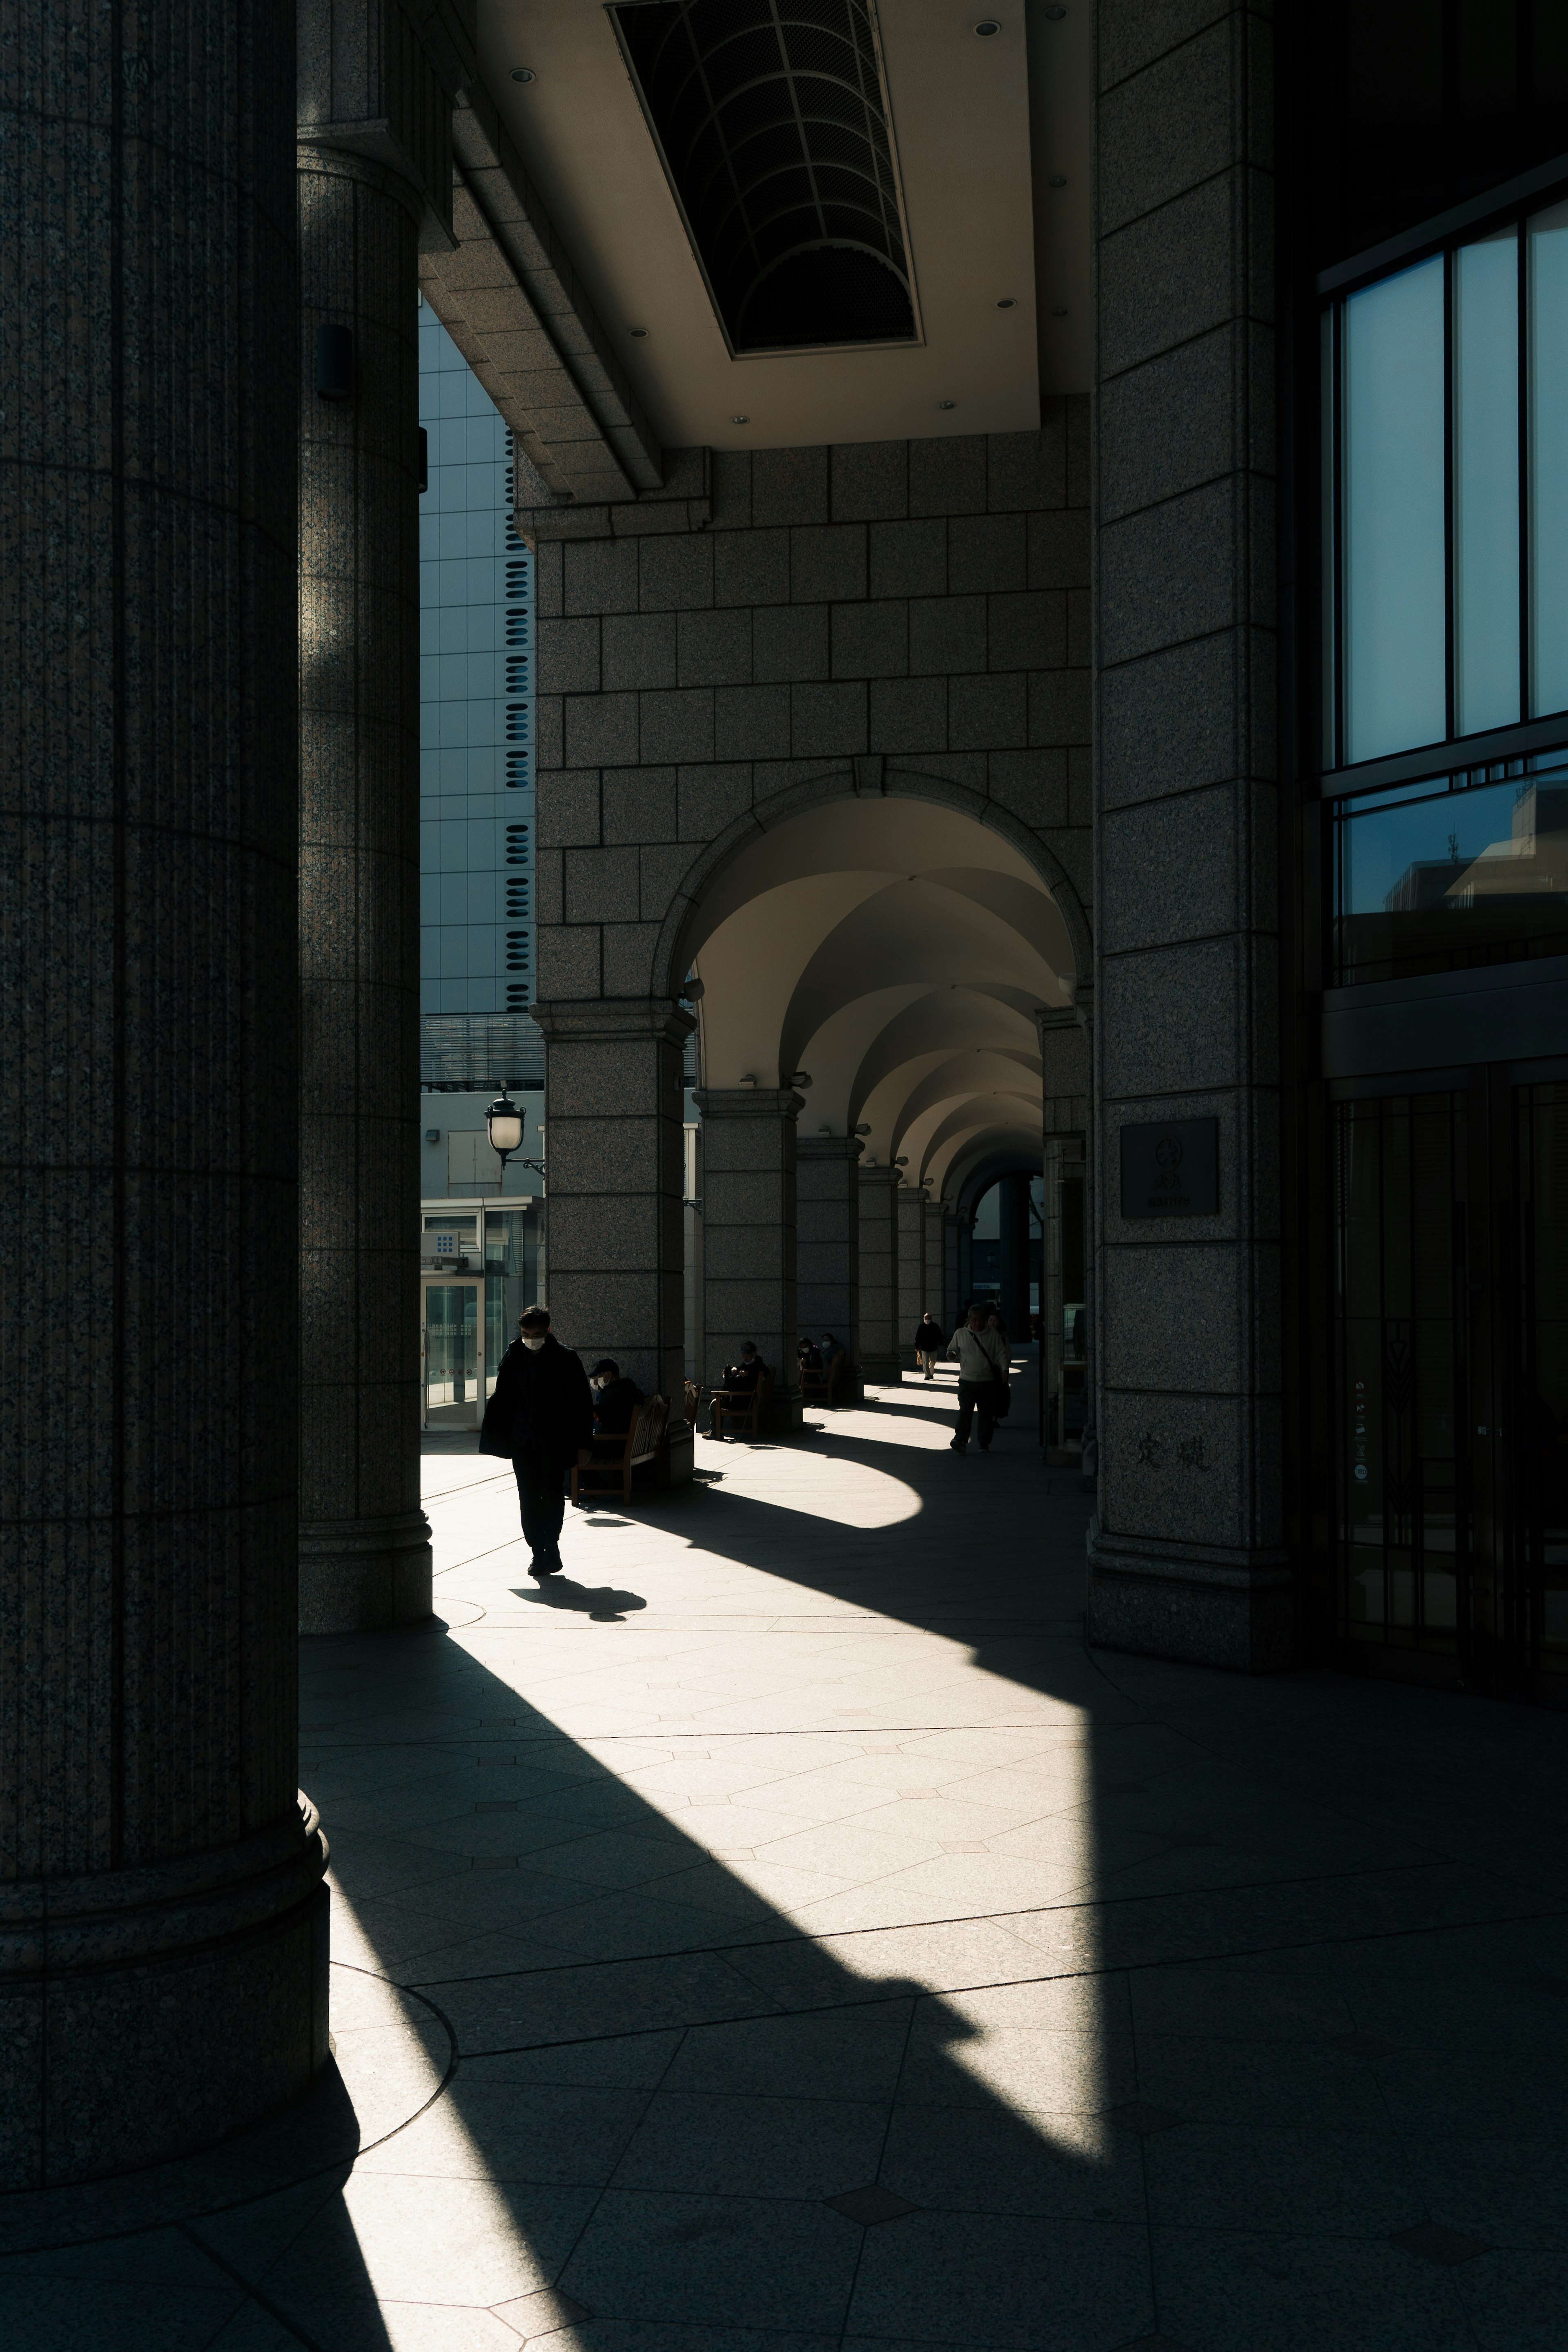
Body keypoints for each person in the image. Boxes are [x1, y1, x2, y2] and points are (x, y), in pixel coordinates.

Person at [479, 1305, 595, 1578]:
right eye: (525, 1333)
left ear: (548, 1331)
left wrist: (584, 1444)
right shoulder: (515, 1355)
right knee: (528, 1496)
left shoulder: (566, 1359)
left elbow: (581, 1403)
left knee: (552, 1493)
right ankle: (537, 1551)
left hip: (554, 1440)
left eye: (536, 1334)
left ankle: (551, 1544)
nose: (530, 1338)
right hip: (523, 1440)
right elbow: (503, 1396)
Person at [948, 1305, 1009, 1454]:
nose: (977, 1323)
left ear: (986, 1320)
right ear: (968, 1320)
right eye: (974, 1320)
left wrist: (1005, 1369)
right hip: (966, 1380)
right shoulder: (960, 1333)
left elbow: (1001, 1353)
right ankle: (961, 1440)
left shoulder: (993, 1335)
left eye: (981, 1320)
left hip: (987, 1381)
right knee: (965, 1411)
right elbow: (953, 1350)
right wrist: (951, 1355)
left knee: (986, 1414)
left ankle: (984, 1442)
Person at [708, 1340, 765, 1438]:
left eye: (747, 1355)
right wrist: (735, 1369)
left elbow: (763, 1372)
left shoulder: (759, 1365)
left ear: (754, 1355)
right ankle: (714, 1431)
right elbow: (740, 1368)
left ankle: (715, 1432)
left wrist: (748, 1374)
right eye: (743, 1355)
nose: (744, 1358)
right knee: (715, 1403)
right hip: (737, 1399)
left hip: (744, 1401)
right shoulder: (746, 1364)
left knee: (715, 1404)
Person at [590, 1358, 644, 1442]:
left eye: (599, 1375)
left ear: (608, 1375)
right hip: (625, 1442)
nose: (596, 1379)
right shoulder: (626, 1388)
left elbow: (593, 1414)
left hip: (613, 1445)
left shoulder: (614, 1393)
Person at [912, 1311, 947, 1378]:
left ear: (931, 1319)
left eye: (928, 1319)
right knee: (925, 1362)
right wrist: (917, 1346)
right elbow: (918, 1337)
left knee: (933, 1362)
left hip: (933, 1347)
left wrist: (941, 1344)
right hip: (924, 1348)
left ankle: (931, 1373)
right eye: (926, 1319)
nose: (927, 1320)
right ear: (924, 1319)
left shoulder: (935, 1326)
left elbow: (940, 1336)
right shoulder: (921, 1327)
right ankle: (927, 1375)